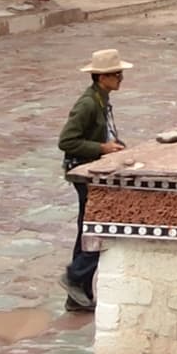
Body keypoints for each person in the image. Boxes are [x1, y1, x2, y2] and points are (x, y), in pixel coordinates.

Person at [56, 49, 127, 313]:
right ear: (101, 77)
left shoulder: (102, 99)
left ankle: (77, 296)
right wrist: (102, 148)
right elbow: (67, 141)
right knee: (97, 228)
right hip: (84, 172)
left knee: (86, 229)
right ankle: (75, 276)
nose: (121, 78)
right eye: (115, 74)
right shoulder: (87, 104)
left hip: (94, 170)